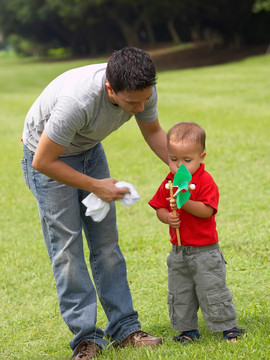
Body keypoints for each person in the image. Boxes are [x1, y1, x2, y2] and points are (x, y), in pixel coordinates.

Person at [21, 47, 167, 360]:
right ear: (109, 89)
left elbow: (153, 130)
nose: (140, 107)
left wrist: (184, 172)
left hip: (88, 149)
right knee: (67, 250)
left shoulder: (142, 89)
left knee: (107, 245)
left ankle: (126, 329)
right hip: (46, 156)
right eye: (131, 103)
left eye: (145, 98)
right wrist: (96, 186)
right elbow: (43, 162)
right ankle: (86, 340)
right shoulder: (79, 101)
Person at [149, 122, 245, 343]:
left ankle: (227, 327)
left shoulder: (204, 181)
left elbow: (207, 211)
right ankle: (187, 330)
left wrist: (184, 202)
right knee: (180, 293)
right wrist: (167, 217)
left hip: (205, 252)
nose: (179, 167)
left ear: (201, 156)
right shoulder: (170, 182)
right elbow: (159, 207)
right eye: (174, 160)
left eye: (187, 160)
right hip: (179, 252)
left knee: (212, 290)